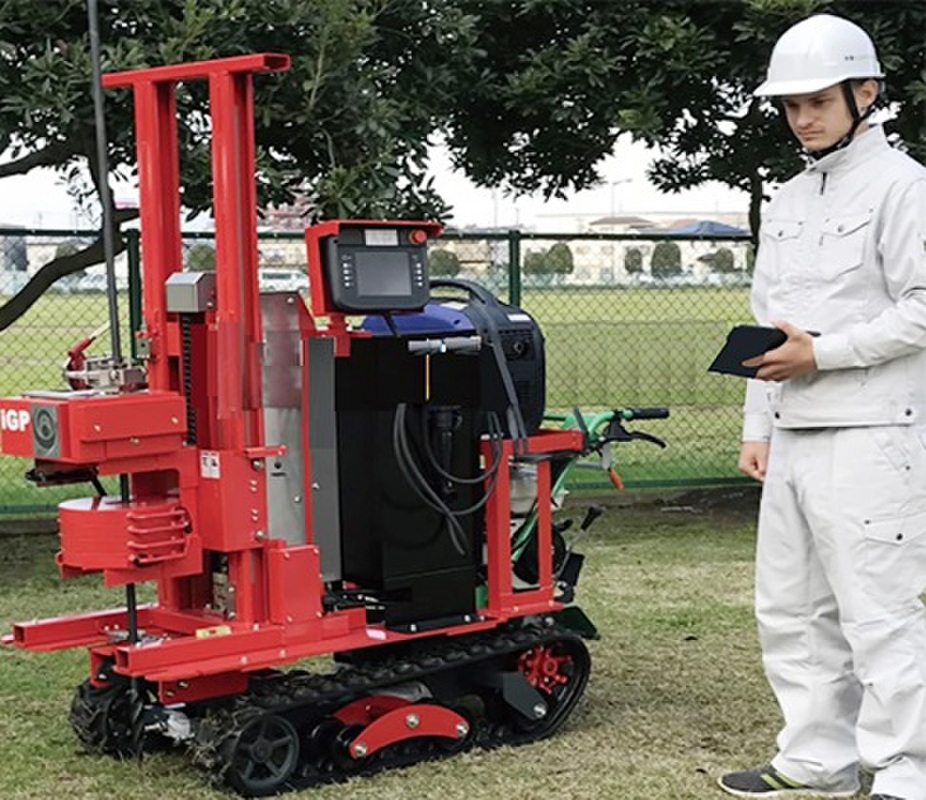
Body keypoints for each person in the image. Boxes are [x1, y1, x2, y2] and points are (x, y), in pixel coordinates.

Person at [718, 13, 926, 800]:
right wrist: (757, 426)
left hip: (875, 432)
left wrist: (824, 353)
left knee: (878, 610)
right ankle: (815, 758)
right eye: (791, 105)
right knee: (793, 607)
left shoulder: (905, 187)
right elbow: (767, 322)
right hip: (795, 432)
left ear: (864, 93)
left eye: (818, 102)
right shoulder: (790, 198)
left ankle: (908, 770)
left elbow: (922, 308)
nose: (802, 118)